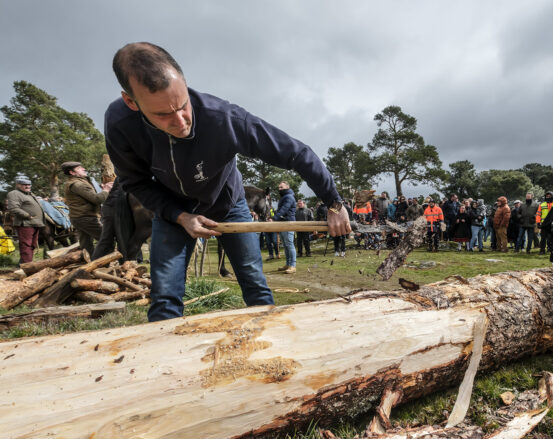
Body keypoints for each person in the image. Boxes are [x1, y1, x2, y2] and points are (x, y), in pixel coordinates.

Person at [105, 42, 349, 321]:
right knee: (165, 298)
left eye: (183, 106)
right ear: (131, 102)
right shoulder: (120, 125)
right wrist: (179, 216)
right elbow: (135, 182)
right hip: (172, 212)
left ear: (184, 82)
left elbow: (296, 153)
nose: (180, 121)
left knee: (254, 284)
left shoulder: (223, 119)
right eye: (162, 114)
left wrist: (333, 202)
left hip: (229, 205)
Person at [62, 161, 112, 255]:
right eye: (79, 168)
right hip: (85, 218)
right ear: (72, 173)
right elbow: (97, 199)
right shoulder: (78, 184)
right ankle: (102, 263)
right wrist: (106, 190)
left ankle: (90, 264)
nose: (83, 169)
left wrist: (102, 189)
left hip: (79, 218)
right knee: (107, 240)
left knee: (86, 245)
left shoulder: (79, 182)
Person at [6, 175, 45, 264]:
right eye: (24, 185)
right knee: (26, 245)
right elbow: (13, 208)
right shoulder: (14, 193)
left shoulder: (29, 194)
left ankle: (24, 264)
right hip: (25, 223)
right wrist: (27, 215)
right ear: (18, 185)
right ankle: (26, 266)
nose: (27, 186)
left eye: (29, 184)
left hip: (34, 223)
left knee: (32, 245)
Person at [274, 182, 297, 273]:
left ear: (287, 187)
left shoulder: (289, 197)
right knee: (286, 245)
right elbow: (281, 209)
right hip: (283, 223)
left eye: (281, 187)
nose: (279, 189)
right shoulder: (285, 197)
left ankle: (293, 266)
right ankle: (288, 264)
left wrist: (275, 218)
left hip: (288, 223)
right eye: (279, 187)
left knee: (289, 244)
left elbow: (284, 209)